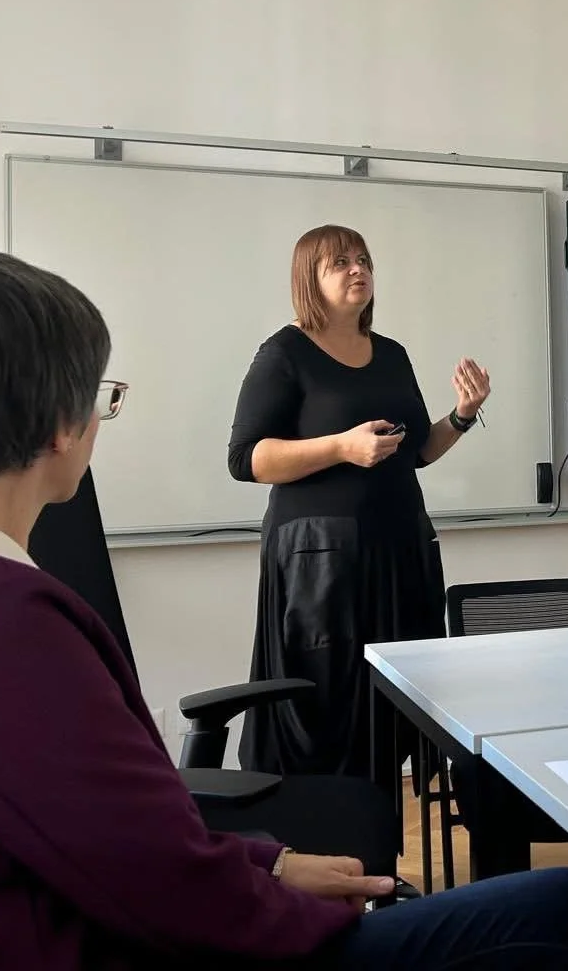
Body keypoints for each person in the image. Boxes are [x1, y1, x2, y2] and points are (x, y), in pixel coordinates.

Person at [0, 250, 568, 970]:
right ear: (59, 423)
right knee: (554, 906)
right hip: (153, 947)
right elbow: (164, 892)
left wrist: (264, 865)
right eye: (101, 396)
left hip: (77, 922)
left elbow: (115, 841)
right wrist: (302, 905)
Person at [228, 224, 488, 778]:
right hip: (320, 562)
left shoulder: (391, 354)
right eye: (341, 262)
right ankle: (323, 825)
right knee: (325, 703)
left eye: (364, 260)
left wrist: (463, 415)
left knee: (398, 704)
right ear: (309, 277)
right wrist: (341, 447)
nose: (358, 270)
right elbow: (246, 458)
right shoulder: (285, 352)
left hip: (398, 550)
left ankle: (379, 825)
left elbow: (418, 451)